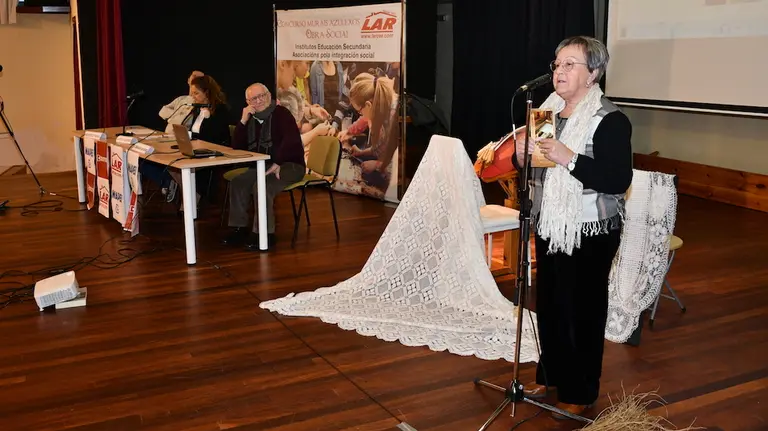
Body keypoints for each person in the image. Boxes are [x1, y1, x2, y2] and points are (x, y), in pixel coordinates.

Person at [513, 36, 632, 419]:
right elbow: (538, 168)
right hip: (552, 222)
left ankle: (581, 388)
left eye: (569, 65)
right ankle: (551, 374)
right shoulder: (546, 112)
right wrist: (518, 158)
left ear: (593, 74)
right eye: (556, 64)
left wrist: (570, 158)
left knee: (582, 309)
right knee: (550, 303)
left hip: (591, 230)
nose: (558, 72)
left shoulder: (610, 120)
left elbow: (617, 179)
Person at [221, 83, 305, 250]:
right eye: (254, 98)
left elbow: (291, 141)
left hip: (289, 164)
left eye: (262, 96)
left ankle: (265, 234)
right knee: (238, 182)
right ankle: (239, 228)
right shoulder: (251, 118)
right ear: (247, 101)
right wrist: (243, 121)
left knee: (262, 186)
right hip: (262, 166)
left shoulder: (282, 114)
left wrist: (278, 162)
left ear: (269, 96)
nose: (259, 100)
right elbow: (237, 146)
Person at [343, 73, 399, 193]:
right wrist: (362, 152)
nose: (361, 116)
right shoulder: (384, 111)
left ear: (368, 105)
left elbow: (399, 164)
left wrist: (377, 165)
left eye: (359, 111)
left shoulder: (393, 118)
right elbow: (382, 147)